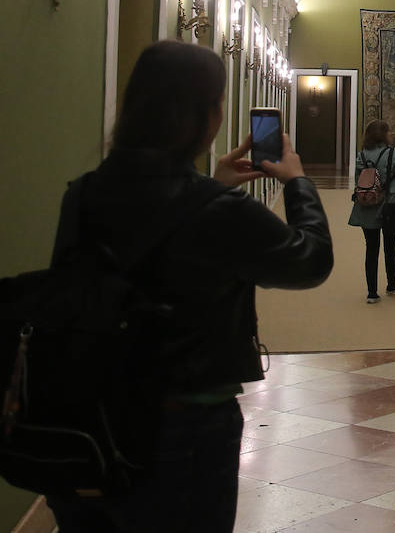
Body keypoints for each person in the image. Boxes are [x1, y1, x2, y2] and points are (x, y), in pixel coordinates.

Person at [43, 40, 333, 532]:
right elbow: (309, 261)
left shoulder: (83, 194)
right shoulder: (219, 213)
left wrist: (214, 188)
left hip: (85, 422)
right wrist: (297, 183)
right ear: (208, 116)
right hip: (182, 429)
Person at [349, 119, 395, 303]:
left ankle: (372, 293)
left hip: (367, 205)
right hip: (390, 205)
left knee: (371, 248)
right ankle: (391, 283)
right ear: (384, 134)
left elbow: (358, 181)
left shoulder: (362, 155)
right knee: (390, 247)